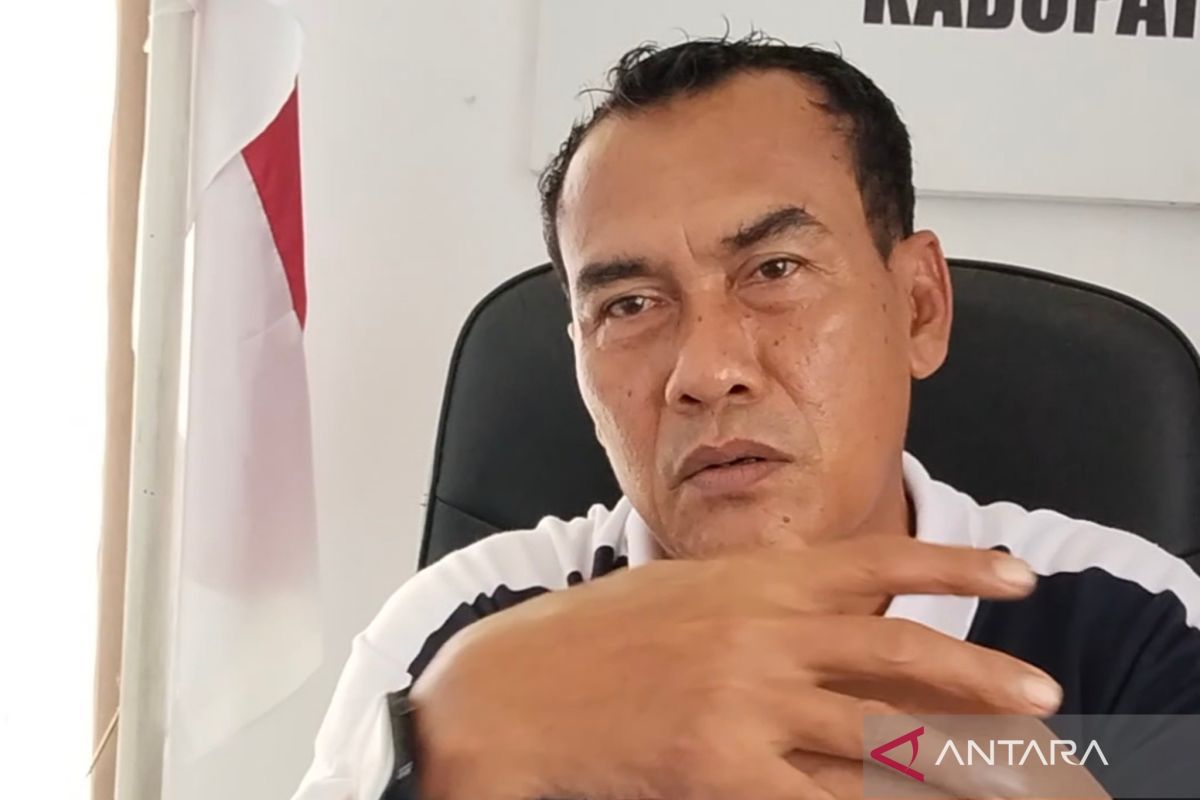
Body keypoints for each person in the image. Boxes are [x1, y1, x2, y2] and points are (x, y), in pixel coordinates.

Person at [292, 33, 1200, 800]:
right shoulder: (466, 633)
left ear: (919, 306)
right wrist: (444, 755)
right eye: (629, 306)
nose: (707, 372)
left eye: (774, 271)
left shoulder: (1133, 624)